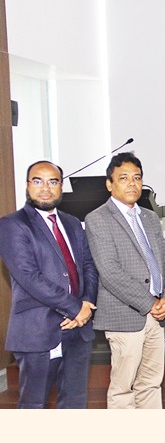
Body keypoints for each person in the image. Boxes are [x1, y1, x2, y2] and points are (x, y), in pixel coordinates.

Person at [0, 161, 98, 408]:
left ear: (61, 186)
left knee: (75, 403)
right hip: (38, 330)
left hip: (78, 330)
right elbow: (29, 277)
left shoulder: (72, 223)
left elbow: (88, 266)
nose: (45, 188)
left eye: (52, 182)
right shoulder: (12, 224)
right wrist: (75, 308)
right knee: (34, 406)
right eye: (38, 181)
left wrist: (87, 303)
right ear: (27, 185)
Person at [85, 152, 165, 409]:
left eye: (137, 177)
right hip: (126, 315)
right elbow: (109, 271)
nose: (132, 183)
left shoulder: (149, 217)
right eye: (123, 178)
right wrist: (150, 303)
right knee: (124, 389)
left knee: (151, 383)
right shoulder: (98, 218)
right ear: (109, 184)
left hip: (157, 314)